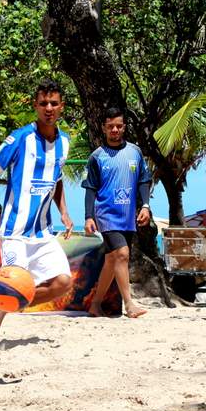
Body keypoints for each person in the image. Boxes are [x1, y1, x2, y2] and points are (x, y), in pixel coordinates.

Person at [0, 79, 74, 344]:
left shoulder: (65, 142)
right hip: (15, 231)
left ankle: (17, 301)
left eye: (53, 103)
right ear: (35, 106)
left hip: (43, 231)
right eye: (43, 103)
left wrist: (64, 212)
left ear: (61, 107)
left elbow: (56, 181)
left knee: (63, 282)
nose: (48, 108)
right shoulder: (21, 137)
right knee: (11, 281)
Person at [82, 107, 152, 318]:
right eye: (110, 126)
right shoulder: (97, 157)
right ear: (103, 128)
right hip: (106, 213)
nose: (115, 130)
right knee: (122, 254)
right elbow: (90, 188)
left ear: (124, 127)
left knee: (113, 260)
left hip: (127, 215)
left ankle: (95, 305)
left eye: (118, 126)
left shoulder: (135, 152)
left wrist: (146, 206)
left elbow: (143, 180)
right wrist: (88, 216)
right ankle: (130, 304)